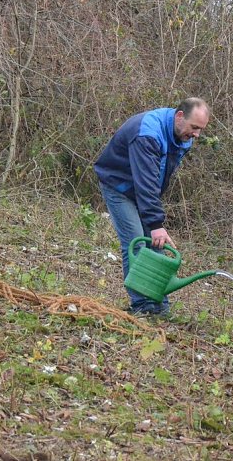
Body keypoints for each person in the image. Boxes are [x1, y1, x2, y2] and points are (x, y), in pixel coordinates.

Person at [94, 98, 210, 315]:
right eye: (194, 128)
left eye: (201, 130)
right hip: (118, 186)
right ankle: (142, 306)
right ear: (179, 116)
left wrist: (154, 220)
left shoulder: (181, 135)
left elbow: (157, 178)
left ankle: (159, 305)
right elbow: (146, 181)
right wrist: (155, 222)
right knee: (137, 243)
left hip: (142, 190)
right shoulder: (148, 133)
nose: (196, 135)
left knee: (156, 246)